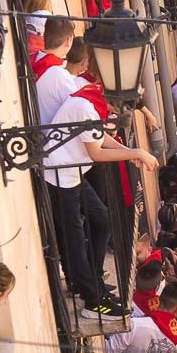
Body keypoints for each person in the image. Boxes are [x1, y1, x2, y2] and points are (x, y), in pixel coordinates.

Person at [44, 84, 157, 318]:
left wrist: (129, 150)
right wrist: (135, 153)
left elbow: (99, 136)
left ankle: (93, 280)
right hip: (60, 178)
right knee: (74, 240)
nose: (115, 117)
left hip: (72, 174)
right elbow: (96, 152)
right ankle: (92, 300)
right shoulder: (86, 106)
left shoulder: (91, 101)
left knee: (103, 220)